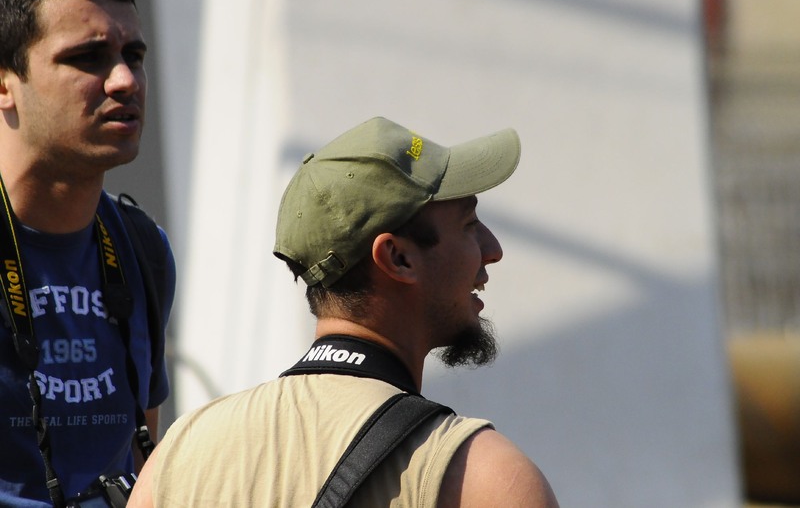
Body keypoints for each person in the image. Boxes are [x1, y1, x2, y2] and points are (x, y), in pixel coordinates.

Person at [130, 116, 558, 507]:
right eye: (469, 225)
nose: (493, 249)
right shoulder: (482, 478)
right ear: (397, 258)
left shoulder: (177, 455)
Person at [0, 0, 176, 506]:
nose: (125, 80)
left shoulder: (143, 248)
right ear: (5, 83)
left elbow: (144, 463)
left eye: (134, 56)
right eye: (87, 58)